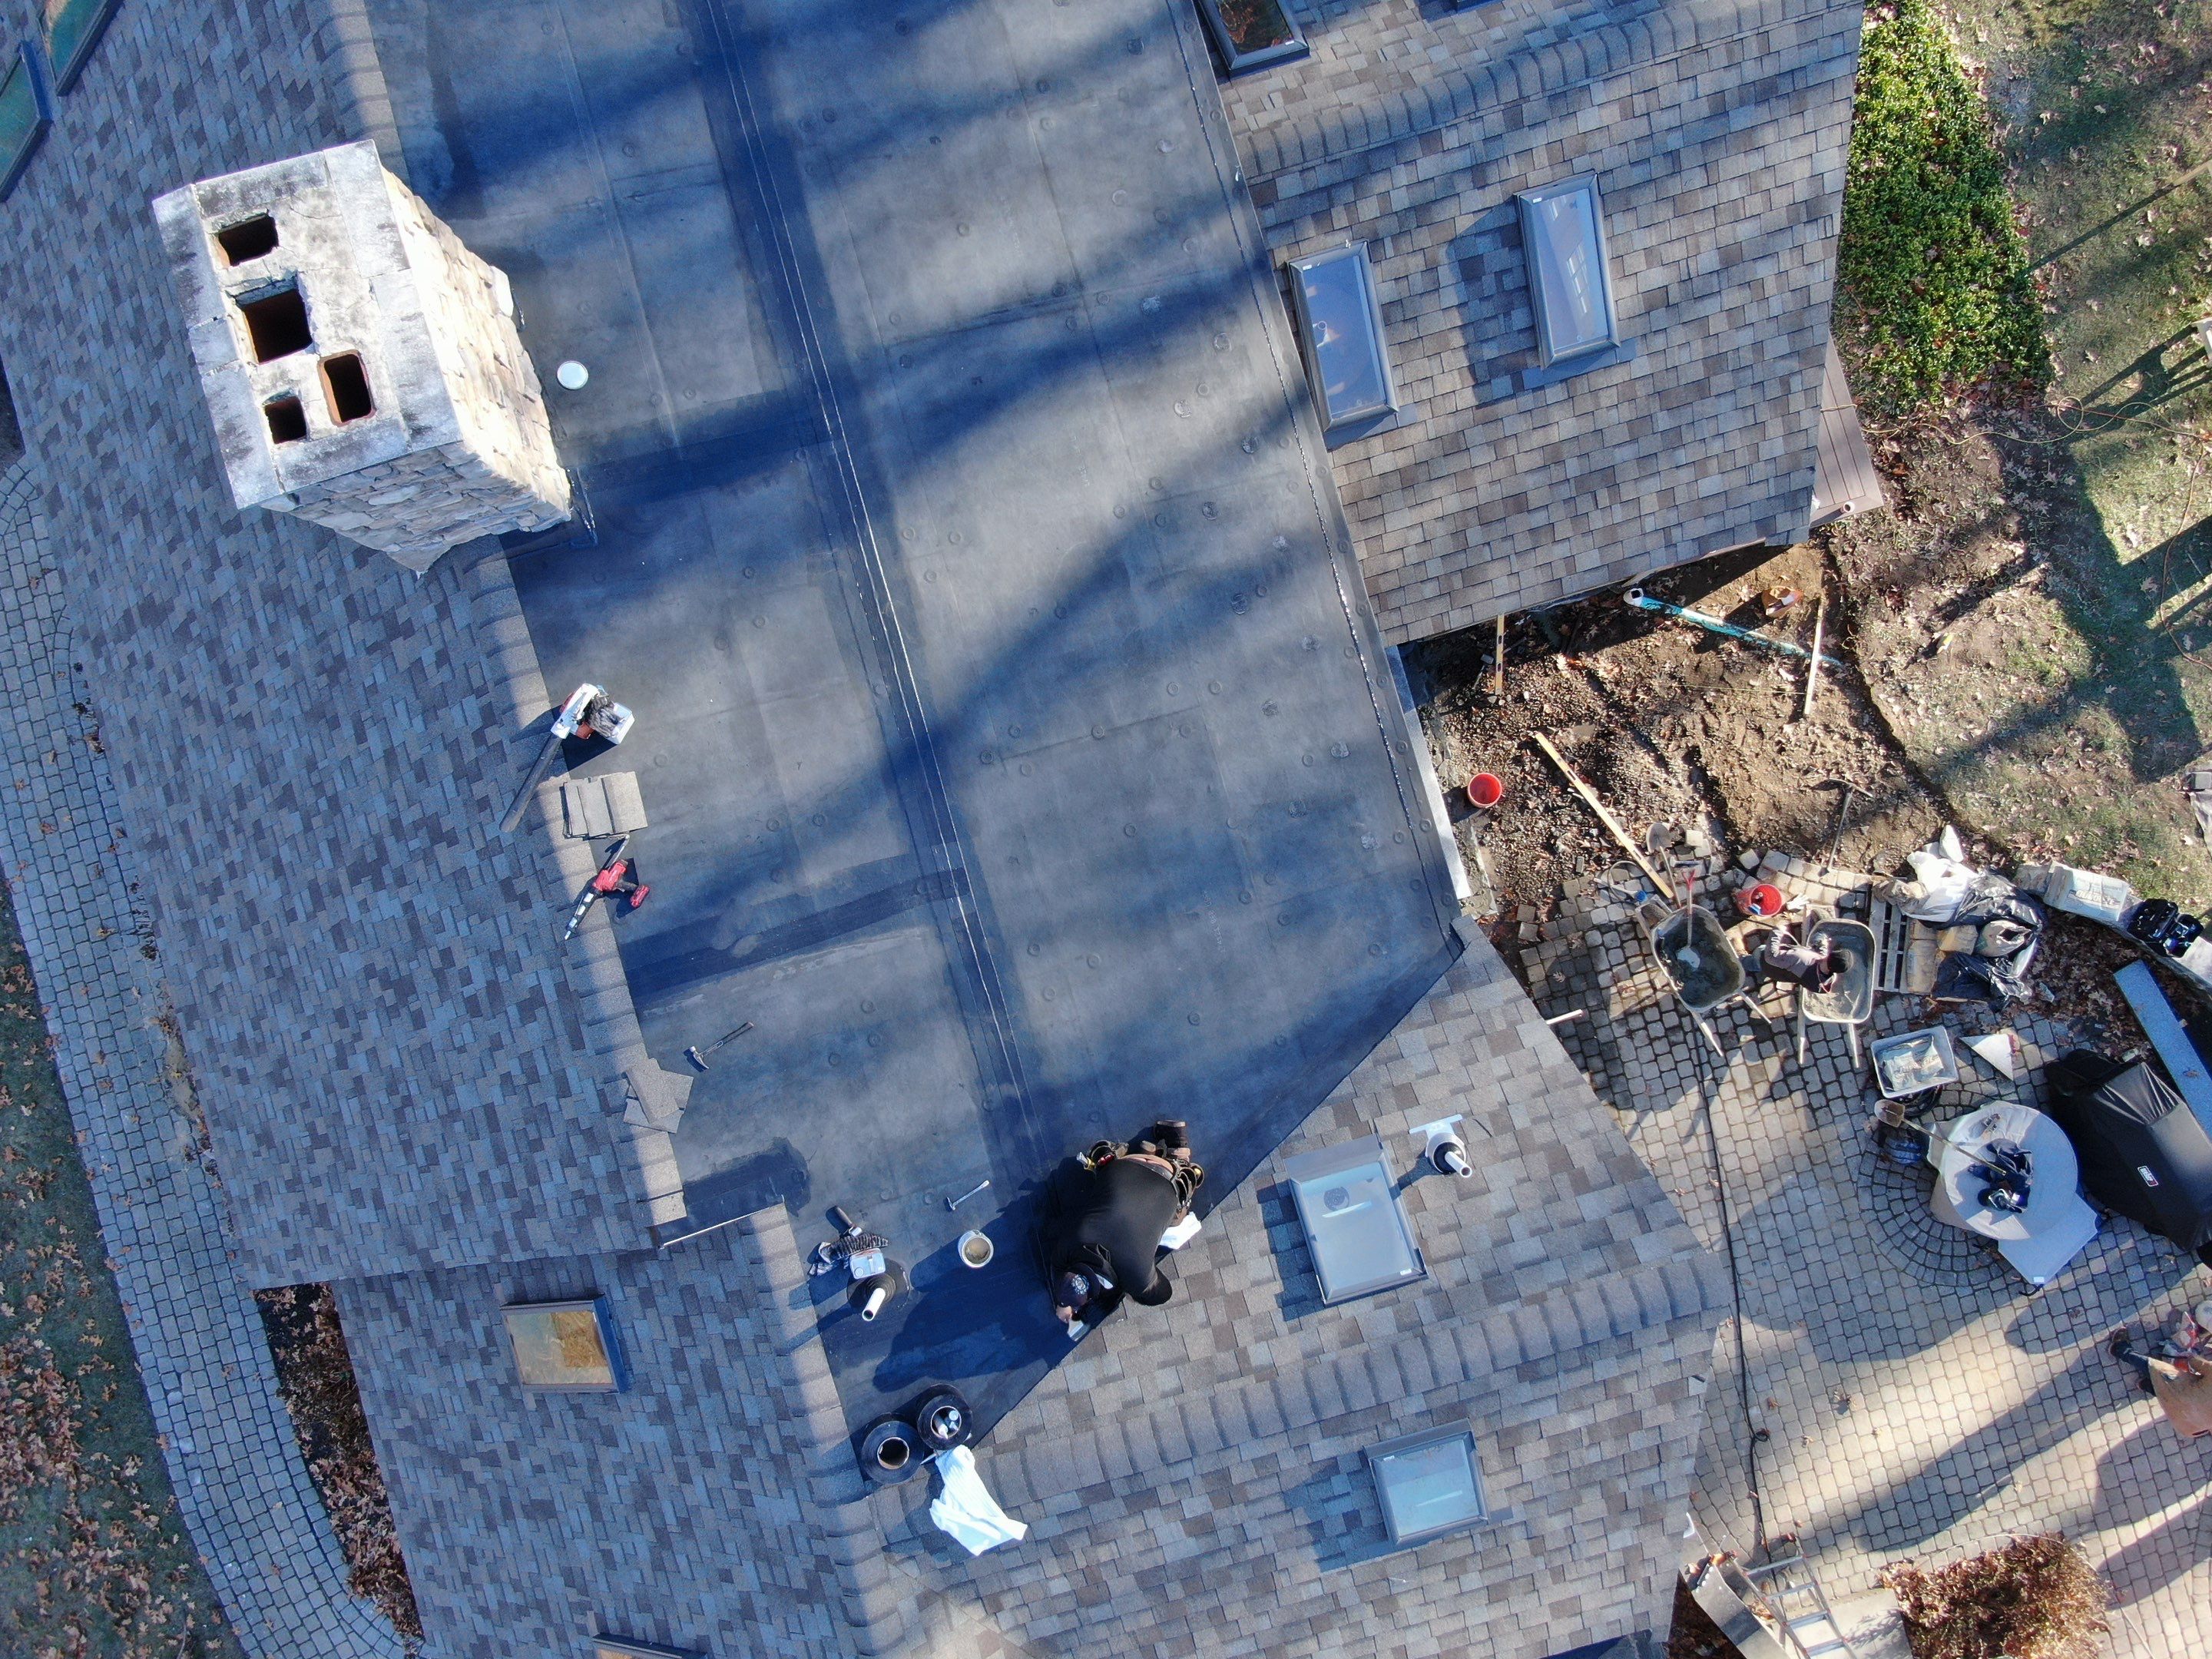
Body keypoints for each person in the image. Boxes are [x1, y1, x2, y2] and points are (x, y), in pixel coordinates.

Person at [1045, 1123, 1203, 1331]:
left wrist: (1132, 1287)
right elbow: (1057, 1266)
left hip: (1167, 1179)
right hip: (1126, 1165)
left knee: (1177, 1217)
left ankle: (1179, 1153)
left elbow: (1164, 1293)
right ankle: (1131, 1153)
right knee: (1100, 1162)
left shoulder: (1136, 1279)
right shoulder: (1071, 1242)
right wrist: (1063, 1302)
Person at [2108, 1327, 2212, 1439]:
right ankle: (2146, 1385)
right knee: (2179, 1398)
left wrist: (2191, 1358)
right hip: (2187, 1425)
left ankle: (2120, 1349)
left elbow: (2200, 1365)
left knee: (2157, 1370)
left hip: (2183, 1395)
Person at [1761, 926, 1838, 995]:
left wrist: (1778, 930)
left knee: (1758, 953)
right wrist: (1824, 942)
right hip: (1782, 975)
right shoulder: (1824, 983)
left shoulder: (1800, 959)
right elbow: (1822, 954)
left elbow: (1770, 957)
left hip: (1766, 964)